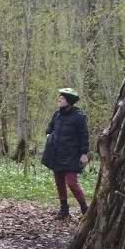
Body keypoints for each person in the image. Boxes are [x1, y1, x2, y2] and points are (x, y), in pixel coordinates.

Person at [41, 88, 90, 219]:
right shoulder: (57, 114)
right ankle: (64, 210)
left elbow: (84, 136)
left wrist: (84, 153)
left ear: (68, 101)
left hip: (72, 155)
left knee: (72, 183)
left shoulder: (79, 117)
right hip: (56, 153)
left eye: (61, 98)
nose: (59, 99)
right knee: (59, 182)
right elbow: (49, 127)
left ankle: (85, 209)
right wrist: (49, 135)